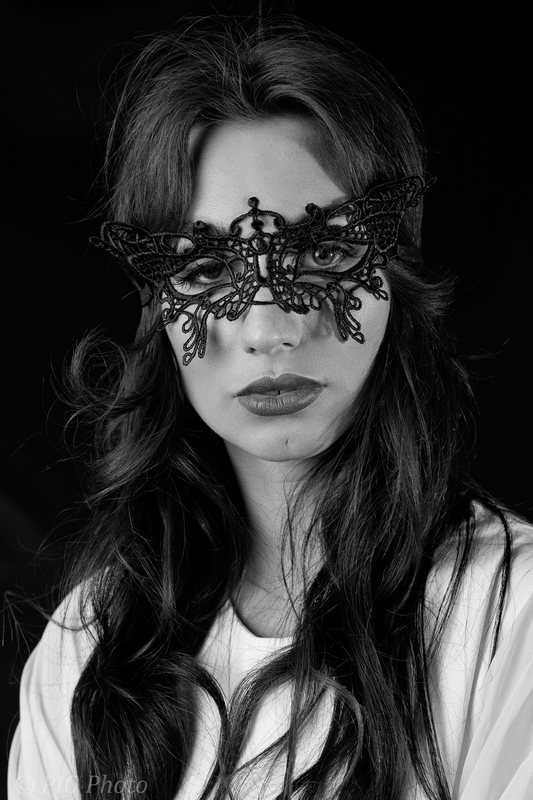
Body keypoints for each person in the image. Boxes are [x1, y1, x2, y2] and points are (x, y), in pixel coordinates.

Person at [7, 15, 533, 800]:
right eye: (206, 268)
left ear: (394, 278)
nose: (268, 330)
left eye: (323, 253)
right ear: (159, 307)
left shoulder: (510, 616)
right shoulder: (91, 644)